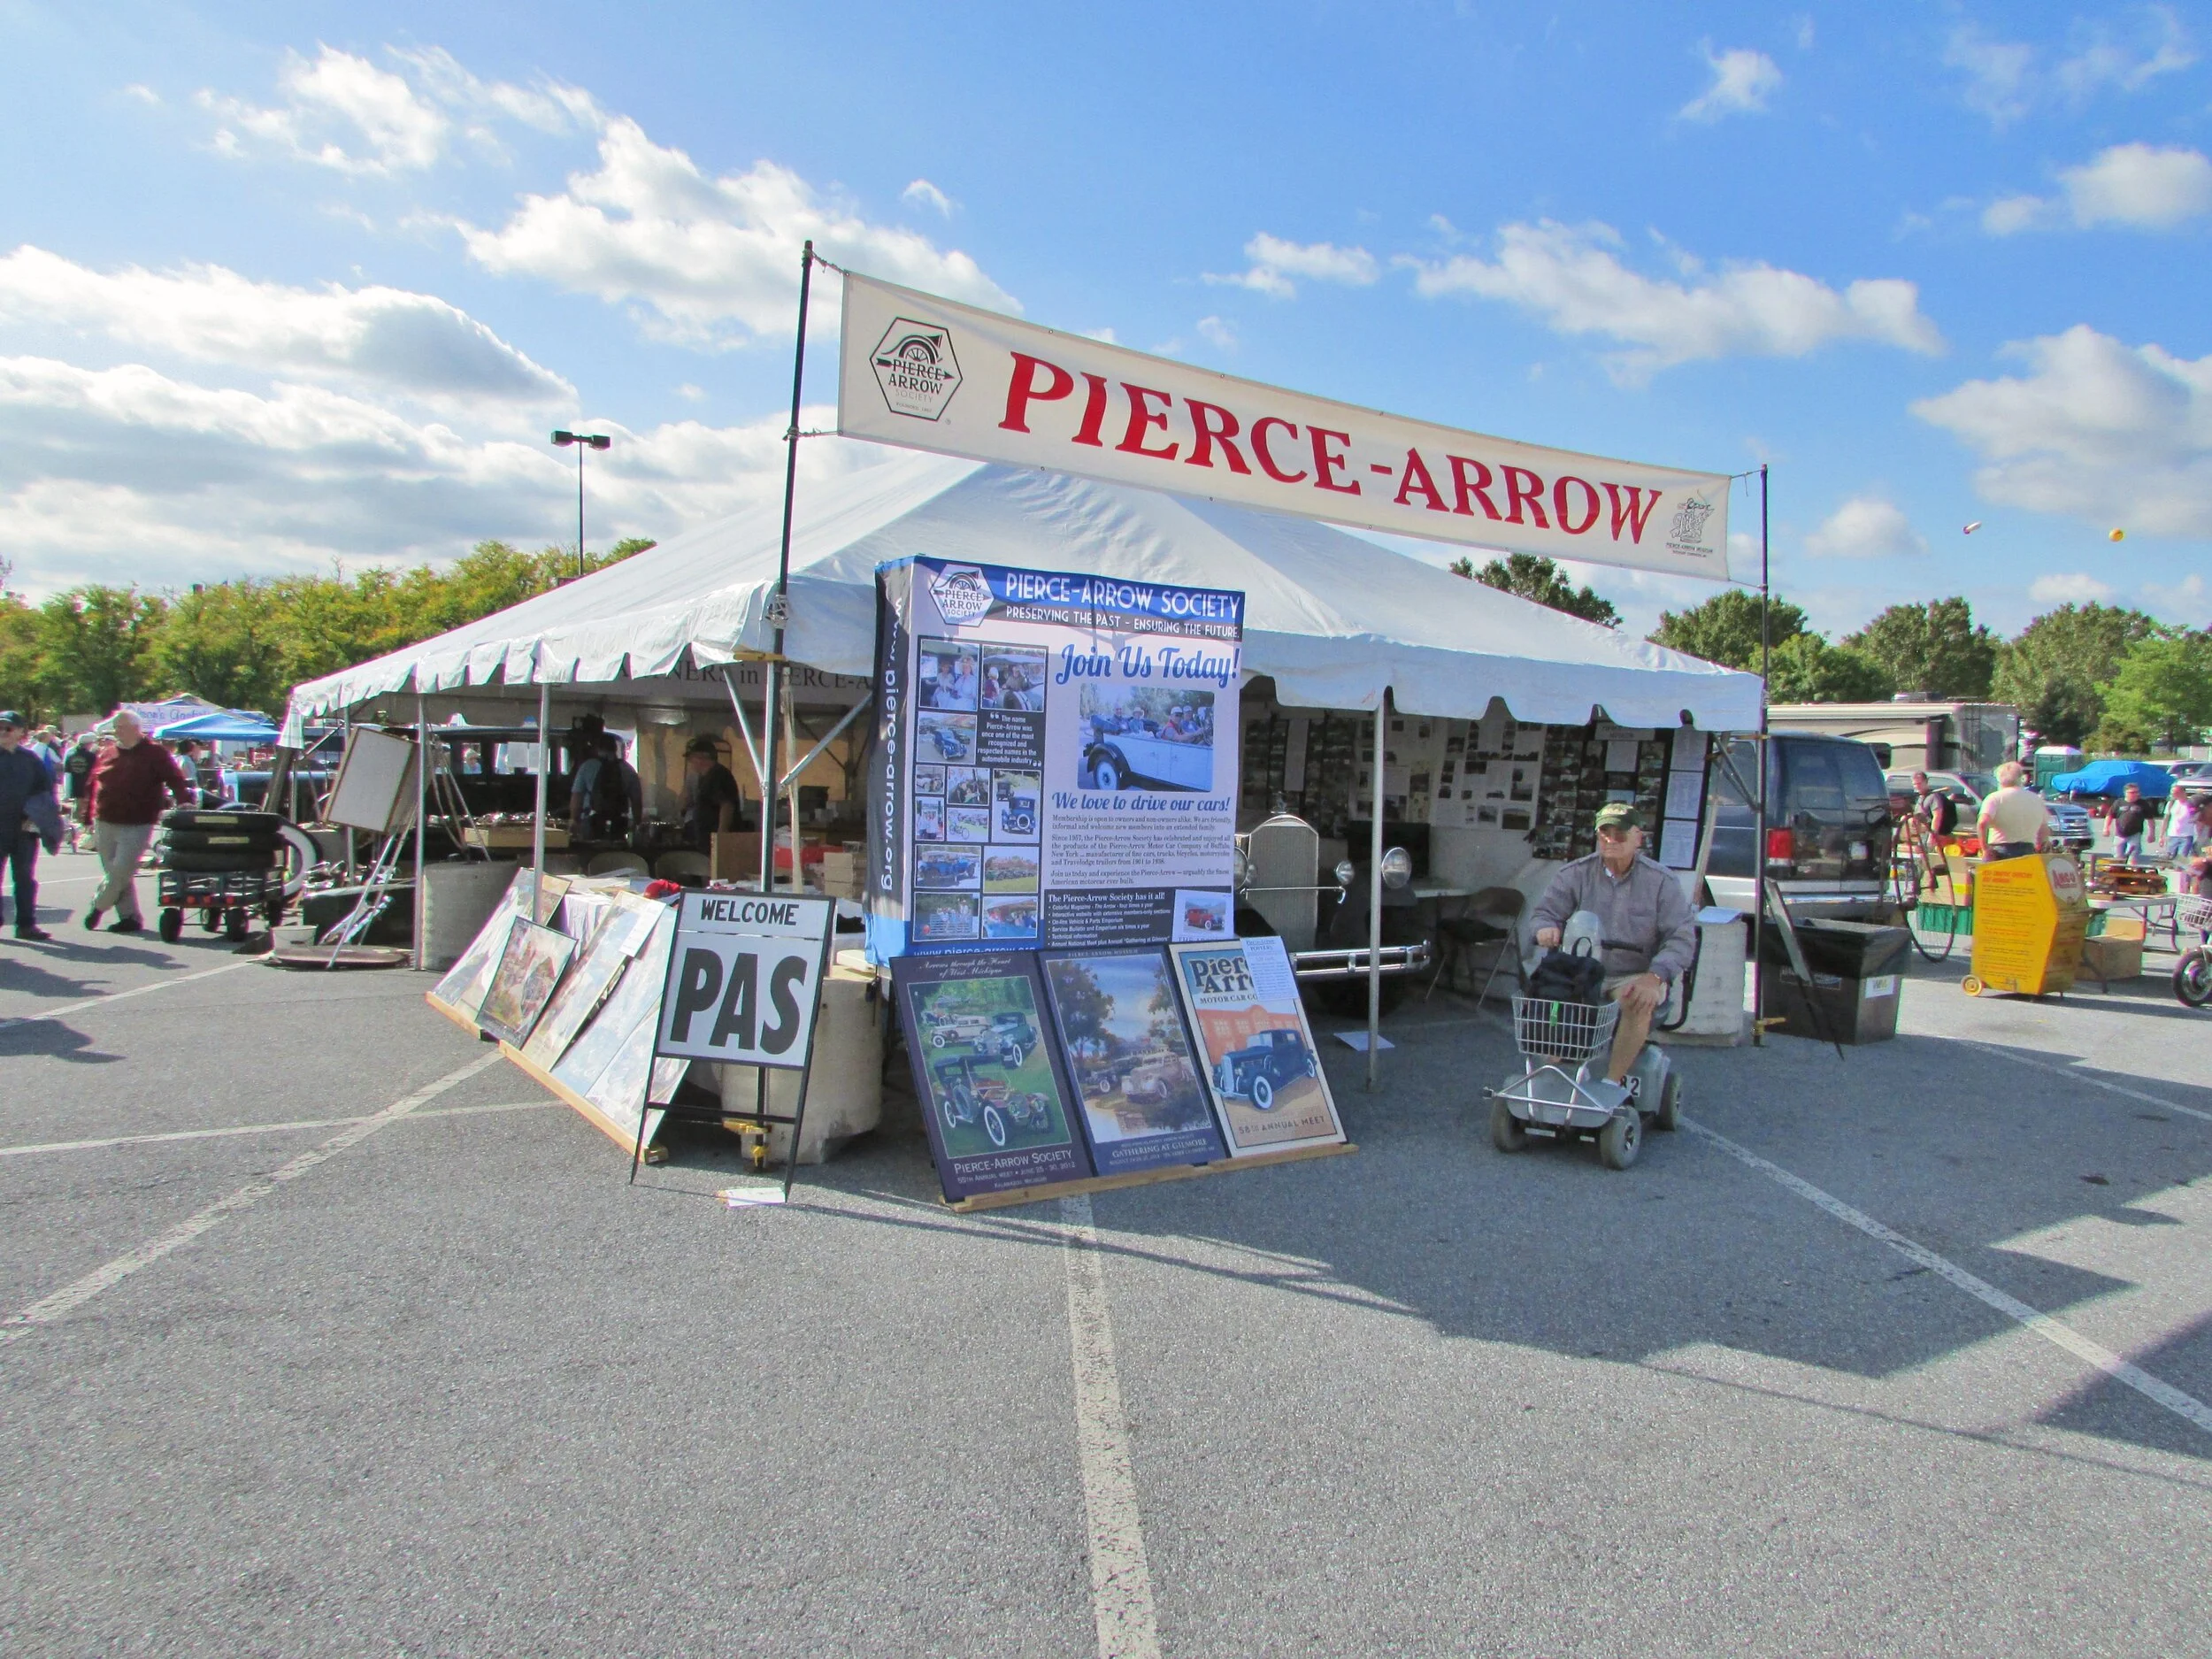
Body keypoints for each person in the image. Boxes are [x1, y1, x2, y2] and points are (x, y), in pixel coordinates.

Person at [1527, 803, 1697, 1087]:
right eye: (1604, 833)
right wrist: (1545, 928)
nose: (1610, 840)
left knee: (1637, 1000)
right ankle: (1551, 1078)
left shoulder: (1661, 881)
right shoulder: (1575, 873)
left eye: (1620, 834)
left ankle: (1611, 1084)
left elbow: (1681, 937)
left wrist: (1655, 977)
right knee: (1549, 994)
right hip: (1581, 969)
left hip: (1634, 973)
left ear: (1638, 838)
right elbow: (1545, 913)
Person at [83, 710, 193, 933]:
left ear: (136, 728)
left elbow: (175, 778)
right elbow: (93, 784)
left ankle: (98, 906)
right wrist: (86, 816)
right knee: (113, 872)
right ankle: (129, 917)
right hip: (104, 819)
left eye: (121, 726)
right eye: (115, 727)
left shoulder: (155, 753)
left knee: (122, 870)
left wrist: (183, 800)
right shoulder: (107, 752)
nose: (116, 731)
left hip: (137, 821)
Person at [0, 711, 65, 941]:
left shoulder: (30, 760)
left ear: (20, 733)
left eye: (9, 728)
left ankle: (26, 924)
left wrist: (36, 818)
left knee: (25, 878)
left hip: (23, 829)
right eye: (0, 727)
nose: (4, 732)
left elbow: (44, 791)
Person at [569, 731, 642, 843]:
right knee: (616, 854)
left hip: (592, 821)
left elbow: (577, 796)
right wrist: (636, 824)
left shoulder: (587, 767)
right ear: (615, 748)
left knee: (590, 853)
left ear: (597, 748)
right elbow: (636, 801)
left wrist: (574, 820)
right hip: (619, 822)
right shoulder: (628, 770)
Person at [680, 734, 747, 851]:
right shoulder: (704, 777)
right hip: (706, 838)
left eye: (692, 758)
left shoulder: (718, 775)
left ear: (703, 758)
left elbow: (726, 805)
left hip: (715, 840)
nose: (690, 763)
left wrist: (721, 835)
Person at [1976, 760, 2049, 862]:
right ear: (2021, 778)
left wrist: (1985, 848)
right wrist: (2040, 846)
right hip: (2028, 850)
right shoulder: (2036, 799)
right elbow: (2044, 828)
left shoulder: (1994, 798)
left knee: (1978, 876)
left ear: (1999, 779)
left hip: (2000, 851)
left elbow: (1983, 822)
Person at [59, 732, 98, 852]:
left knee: (77, 807)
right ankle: (79, 833)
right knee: (85, 809)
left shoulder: (70, 753)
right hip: (88, 784)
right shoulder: (91, 756)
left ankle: (73, 831)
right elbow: (96, 770)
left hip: (74, 784)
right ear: (88, 744)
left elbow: (66, 769)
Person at [2110, 781, 2154, 864]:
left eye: (2137, 792)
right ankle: (2119, 872)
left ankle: (2131, 870)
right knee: (2118, 856)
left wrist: (2151, 834)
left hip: (2135, 834)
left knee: (2133, 855)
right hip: (2120, 833)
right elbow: (2110, 816)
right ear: (2126, 793)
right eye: (2132, 792)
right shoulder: (2119, 802)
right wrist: (2106, 828)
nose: (2136, 794)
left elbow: (2150, 819)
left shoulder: (2143, 803)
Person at [1911, 771, 1957, 837]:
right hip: (1923, 836)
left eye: (1919, 783)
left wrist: (1932, 836)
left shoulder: (1934, 797)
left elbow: (1937, 817)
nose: (1917, 786)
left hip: (1936, 836)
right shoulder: (1919, 799)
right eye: (1915, 784)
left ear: (1926, 782)